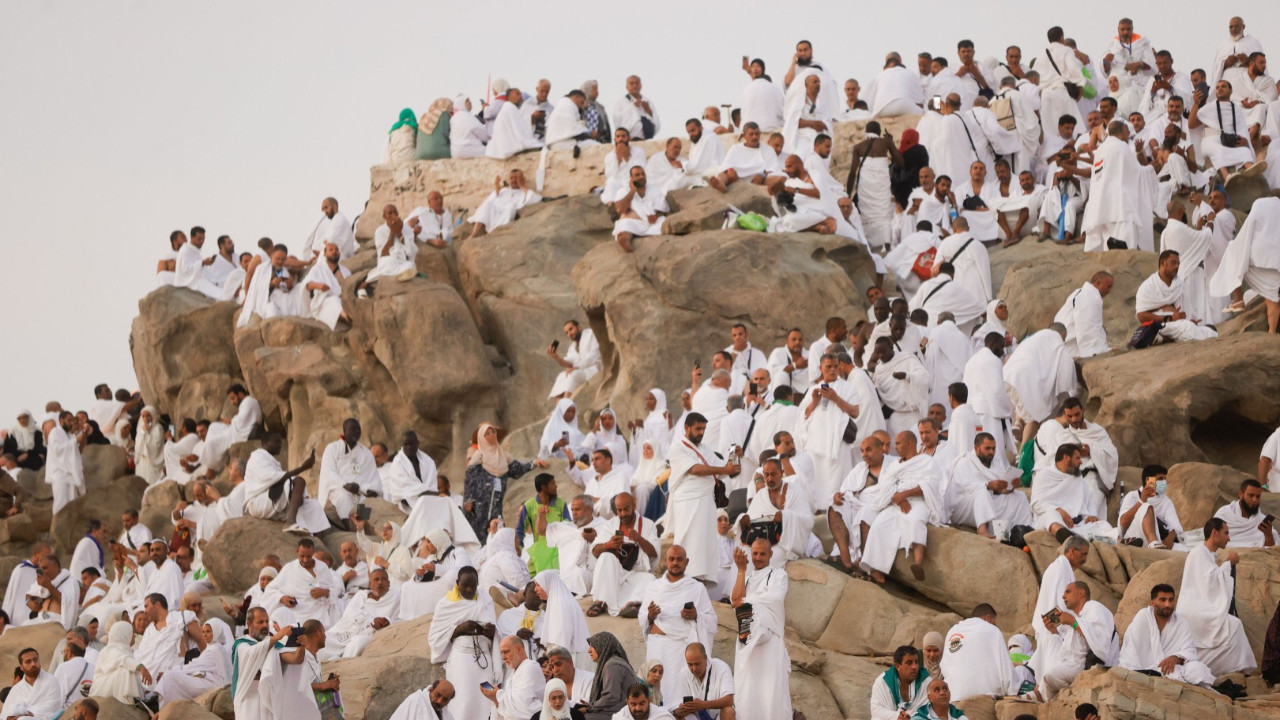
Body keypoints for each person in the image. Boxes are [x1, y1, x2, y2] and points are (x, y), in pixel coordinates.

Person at [861, 431, 943, 584]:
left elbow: (931, 484)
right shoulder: (894, 465)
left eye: (898, 443)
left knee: (915, 519)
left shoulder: (927, 461)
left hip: (918, 501)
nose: (895, 447)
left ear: (909, 444)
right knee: (879, 525)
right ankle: (877, 570)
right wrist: (899, 499)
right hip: (895, 502)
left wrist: (906, 494)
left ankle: (918, 563)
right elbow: (885, 486)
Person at [1182, 517, 1259, 677]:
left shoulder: (1208, 555)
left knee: (1233, 626)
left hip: (1202, 607)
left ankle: (1235, 669)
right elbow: (1208, 582)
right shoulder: (1198, 552)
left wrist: (1224, 565)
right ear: (1214, 532)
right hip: (1195, 610)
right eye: (1226, 533)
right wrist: (1228, 563)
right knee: (1234, 625)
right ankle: (1238, 670)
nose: (1229, 538)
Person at [640, 546, 716, 705]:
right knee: (656, 694)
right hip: (658, 647)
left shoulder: (697, 588)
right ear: (666, 561)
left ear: (686, 562)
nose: (675, 563)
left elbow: (711, 620)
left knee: (678, 696)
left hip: (681, 649)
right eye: (671, 559)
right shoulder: (654, 587)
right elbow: (642, 616)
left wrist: (696, 616)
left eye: (679, 559)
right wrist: (650, 615)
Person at [667, 415, 737, 583]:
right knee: (687, 539)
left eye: (703, 429)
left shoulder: (705, 449)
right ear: (687, 428)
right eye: (698, 429)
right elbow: (695, 469)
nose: (701, 433)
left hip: (706, 501)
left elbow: (721, 470)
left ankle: (700, 580)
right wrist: (724, 468)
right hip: (687, 501)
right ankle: (682, 577)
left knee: (704, 543)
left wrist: (733, 458)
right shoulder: (677, 448)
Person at [729, 539, 788, 720]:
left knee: (772, 694)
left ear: (770, 554)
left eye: (762, 553)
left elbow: (775, 599)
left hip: (770, 644)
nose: (758, 557)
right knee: (747, 692)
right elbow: (734, 601)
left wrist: (746, 601)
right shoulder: (745, 579)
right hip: (748, 645)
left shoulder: (778, 575)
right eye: (755, 553)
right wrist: (740, 571)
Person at [429, 567, 498, 720]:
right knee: (463, 699)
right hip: (461, 660)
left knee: (486, 695)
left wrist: (492, 632)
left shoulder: (485, 600)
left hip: (484, 662)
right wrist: (459, 628)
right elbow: (434, 638)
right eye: (465, 585)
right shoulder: (446, 603)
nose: (469, 589)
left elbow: (496, 630)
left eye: (473, 586)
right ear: (457, 583)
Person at [1033, 582, 1118, 702]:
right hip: (1075, 664)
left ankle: (1068, 696)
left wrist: (1073, 622)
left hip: (1089, 665)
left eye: (1068, 591)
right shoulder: (1080, 616)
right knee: (1049, 668)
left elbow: (1101, 640)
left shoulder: (1094, 608)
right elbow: (1071, 648)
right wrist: (1053, 630)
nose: (1063, 596)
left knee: (1050, 676)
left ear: (1081, 592)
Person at [1118, 583, 1215, 687]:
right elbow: (1131, 650)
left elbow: (1189, 650)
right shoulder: (1143, 617)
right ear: (1152, 602)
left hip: (1173, 668)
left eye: (1171, 600)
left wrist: (1174, 658)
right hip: (1144, 669)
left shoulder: (1180, 622)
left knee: (1197, 669)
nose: (1168, 604)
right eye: (1163, 600)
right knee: (1170, 674)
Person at [464, 423, 547, 542]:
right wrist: (469, 499)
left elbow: (518, 469)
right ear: (482, 438)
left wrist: (534, 463)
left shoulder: (503, 456)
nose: (491, 435)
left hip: (497, 502)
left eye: (493, 432)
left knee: (498, 531)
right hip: (480, 504)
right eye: (487, 434)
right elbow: (470, 480)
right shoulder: (478, 457)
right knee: (480, 534)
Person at [1031, 398, 1119, 509]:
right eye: (1070, 416)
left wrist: (1091, 451)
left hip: (1091, 476)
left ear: (1083, 410)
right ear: (1065, 415)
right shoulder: (1062, 436)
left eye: (1077, 414)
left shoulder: (1097, 431)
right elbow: (1052, 460)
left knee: (1091, 502)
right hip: (1069, 478)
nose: (1074, 419)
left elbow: (1112, 454)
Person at [1081, 122, 1154, 253]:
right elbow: (1136, 173)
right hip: (1121, 208)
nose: (1128, 135)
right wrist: (1151, 169)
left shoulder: (1101, 150)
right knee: (1125, 248)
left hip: (1101, 209)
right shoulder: (1122, 147)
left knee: (1108, 249)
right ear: (1121, 131)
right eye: (1127, 131)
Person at [1210, 196, 1280, 334]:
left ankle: (1239, 300)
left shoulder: (1260, 206)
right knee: (1271, 297)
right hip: (1274, 260)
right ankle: (1271, 331)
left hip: (1261, 260)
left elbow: (1248, 227)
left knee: (1232, 251)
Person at [948, 432, 1033, 539]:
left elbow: (1001, 490)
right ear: (977, 448)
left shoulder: (996, 463)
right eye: (987, 448)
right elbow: (961, 488)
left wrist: (1011, 487)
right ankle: (982, 531)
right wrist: (988, 485)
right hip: (965, 507)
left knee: (1019, 496)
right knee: (981, 492)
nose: (991, 452)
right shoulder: (965, 462)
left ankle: (1024, 531)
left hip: (988, 501)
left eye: (993, 448)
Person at [586, 492, 658, 618]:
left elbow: (654, 553)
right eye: (619, 510)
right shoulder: (610, 525)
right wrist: (608, 545)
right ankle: (601, 601)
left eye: (626, 509)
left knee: (650, 580)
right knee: (605, 557)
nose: (623, 514)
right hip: (614, 574)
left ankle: (630, 605)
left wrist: (639, 539)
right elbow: (595, 551)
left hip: (636, 574)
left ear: (634, 506)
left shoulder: (648, 524)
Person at [1029, 534, 1089, 678]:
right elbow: (1064, 604)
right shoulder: (1061, 569)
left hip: (1049, 628)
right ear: (1072, 551)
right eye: (1084, 554)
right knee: (1052, 675)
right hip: (1053, 630)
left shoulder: (1059, 567)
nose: (1086, 559)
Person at [241, 433, 325, 536]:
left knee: (314, 506)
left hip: (272, 501)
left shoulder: (273, 461)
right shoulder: (257, 457)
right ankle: (290, 523)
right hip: (258, 502)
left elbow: (280, 481)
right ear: (265, 443)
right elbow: (273, 479)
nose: (280, 445)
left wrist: (297, 497)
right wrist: (303, 468)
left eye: (280, 443)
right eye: (277, 442)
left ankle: (318, 543)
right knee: (299, 481)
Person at [740, 458, 812, 565]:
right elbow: (750, 519)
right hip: (760, 542)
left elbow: (808, 521)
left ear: (782, 473)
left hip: (783, 544)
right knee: (744, 554)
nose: (769, 479)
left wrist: (785, 516)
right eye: (766, 475)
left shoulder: (796, 491)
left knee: (772, 557)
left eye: (773, 474)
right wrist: (743, 520)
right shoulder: (760, 496)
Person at [939, 603, 1018, 701]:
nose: (995, 626)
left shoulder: (952, 631)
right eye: (994, 623)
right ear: (988, 618)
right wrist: (1013, 692)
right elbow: (1006, 670)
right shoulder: (993, 631)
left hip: (953, 698)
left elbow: (944, 667)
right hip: (984, 699)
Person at [1137, 250, 1219, 343]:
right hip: (1157, 325)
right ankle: (1210, 333)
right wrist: (1169, 318)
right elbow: (1141, 316)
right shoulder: (1148, 286)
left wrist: (1188, 320)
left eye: (1178, 264)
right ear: (1163, 263)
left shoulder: (1180, 285)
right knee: (1188, 328)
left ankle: (1163, 338)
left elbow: (1182, 314)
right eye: (1173, 263)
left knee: (1190, 326)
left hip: (1177, 325)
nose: (1177, 266)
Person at [1188, 79, 1255, 178]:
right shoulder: (1209, 107)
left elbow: (1241, 129)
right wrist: (1196, 104)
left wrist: (1244, 140)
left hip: (1227, 140)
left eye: (1223, 86)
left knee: (1244, 151)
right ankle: (1226, 176)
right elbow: (1191, 124)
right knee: (1219, 150)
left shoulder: (1236, 109)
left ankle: (1250, 169)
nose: (1220, 89)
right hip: (1210, 141)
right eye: (1217, 87)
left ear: (1231, 90)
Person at [1117, 465, 1184, 549]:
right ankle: (1152, 541)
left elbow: (1176, 527)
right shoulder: (1132, 496)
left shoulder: (1165, 501)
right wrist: (1141, 501)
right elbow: (1123, 523)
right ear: (1148, 480)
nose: (1164, 482)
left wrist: (1169, 539)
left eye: (1165, 479)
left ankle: (1155, 542)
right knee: (1147, 507)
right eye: (1160, 479)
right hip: (1135, 536)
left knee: (1183, 550)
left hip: (1160, 540)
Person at [482, 635, 546, 720]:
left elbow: (523, 707)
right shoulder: (512, 675)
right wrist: (495, 700)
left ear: (518, 649)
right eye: (502, 653)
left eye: (506, 652)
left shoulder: (530, 667)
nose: (503, 657)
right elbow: (509, 709)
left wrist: (497, 695)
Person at [467, 169, 541, 240]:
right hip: (495, 213)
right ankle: (473, 234)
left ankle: (496, 233)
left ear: (522, 179)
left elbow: (536, 199)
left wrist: (521, 185)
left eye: (517, 178)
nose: (514, 180)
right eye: (511, 178)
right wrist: (497, 188)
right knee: (488, 204)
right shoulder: (504, 190)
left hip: (506, 215)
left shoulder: (525, 192)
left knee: (510, 207)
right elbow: (490, 201)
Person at [1053, 273, 1113, 358]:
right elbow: (1087, 325)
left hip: (1067, 344)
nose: (1109, 291)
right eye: (1108, 286)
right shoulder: (1088, 296)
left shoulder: (1082, 293)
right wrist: (1097, 350)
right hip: (1072, 346)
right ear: (1098, 283)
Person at [611, 166, 667, 253]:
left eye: (643, 174)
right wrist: (632, 191)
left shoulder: (655, 190)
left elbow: (663, 209)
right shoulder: (623, 191)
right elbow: (620, 209)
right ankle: (625, 241)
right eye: (637, 175)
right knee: (625, 224)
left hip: (653, 222)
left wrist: (656, 216)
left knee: (663, 221)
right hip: (634, 223)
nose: (641, 177)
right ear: (631, 178)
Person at [671, 642, 734, 720]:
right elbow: (674, 705)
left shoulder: (721, 667)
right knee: (676, 717)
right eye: (690, 664)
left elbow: (729, 700)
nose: (693, 668)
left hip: (718, 717)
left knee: (728, 711)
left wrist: (702, 705)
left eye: (697, 664)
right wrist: (679, 711)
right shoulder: (684, 672)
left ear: (705, 658)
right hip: (695, 717)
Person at [708, 123, 779, 192]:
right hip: (736, 178)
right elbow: (726, 165)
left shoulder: (768, 149)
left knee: (776, 178)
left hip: (758, 180)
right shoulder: (735, 148)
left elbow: (773, 169)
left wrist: (762, 175)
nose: (754, 137)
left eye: (757, 134)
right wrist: (729, 171)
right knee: (722, 174)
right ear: (744, 135)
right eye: (751, 134)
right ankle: (721, 184)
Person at [581, 632, 634, 720]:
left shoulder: (612, 665)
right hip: (616, 709)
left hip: (621, 712)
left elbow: (611, 697)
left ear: (603, 646)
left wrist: (590, 707)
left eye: (593, 646)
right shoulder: (612, 663)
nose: (589, 650)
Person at [870, 646, 930, 719]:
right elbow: (876, 711)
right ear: (898, 666)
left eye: (916, 662)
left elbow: (930, 710)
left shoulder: (926, 681)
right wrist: (896, 716)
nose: (914, 667)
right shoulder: (883, 682)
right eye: (909, 663)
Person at [1, 649, 62, 720]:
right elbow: (5, 714)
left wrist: (26, 713)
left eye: (35, 660)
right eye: (28, 662)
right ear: (21, 667)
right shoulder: (16, 689)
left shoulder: (51, 680)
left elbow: (53, 706)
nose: (33, 664)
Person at [1216, 479, 1279, 547]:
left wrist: (1268, 535)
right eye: (1251, 495)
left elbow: (1271, 549)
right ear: (1241, 494)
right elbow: (1213, 539)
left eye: (1258, 496)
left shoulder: (1261, 519)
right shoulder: (1225, 513)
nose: (1254, 500)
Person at [548, 320, 602, 400]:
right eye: (566, 332)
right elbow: (569, 363)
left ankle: (564, 406)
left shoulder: (591, 334)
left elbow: (595, 355)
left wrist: (577, 367)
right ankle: (558, 409)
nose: (569, 333)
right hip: (581, 371)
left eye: (571, 329)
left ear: (579, 327)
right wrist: (556, 356)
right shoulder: (572, 347)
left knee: (573, 375)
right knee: (561, 376)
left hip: (593, 370)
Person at [486, 88, 543, 160]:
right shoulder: (510, 108)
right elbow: (519, 131)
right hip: (506, 145)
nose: (520, 96)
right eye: (517, 94)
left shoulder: (509, 108)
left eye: (521, 94)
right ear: (509, 96)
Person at [46, 411, 85, 515]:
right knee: (60, 504)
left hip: (71, 475)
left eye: (72, 420)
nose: (71, 423)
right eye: (69, 420)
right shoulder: (55, 432)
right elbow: (57, 450)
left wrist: (79, 438)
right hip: (60, 475)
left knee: (72, 505)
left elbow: (76, 453)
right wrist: (76, 440)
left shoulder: (70, 435)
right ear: (61, 420)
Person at [172, 228, 221, 300]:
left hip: (197, 279)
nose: (202, 241)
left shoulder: (195, 251)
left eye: (203, 239)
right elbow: (185, 269)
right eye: (199, 239)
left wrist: (205, 263)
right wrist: (203, 263)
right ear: (192, 237)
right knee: (215, 293)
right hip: (187, 282)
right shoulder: (185, 250)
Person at [740, 57, 785, 131]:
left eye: (757, 66)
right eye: (753, 67)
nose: (755, 69)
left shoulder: (748, 88)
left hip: (748, 128)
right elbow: (783, 111)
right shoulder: (774, 88)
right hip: (769, 127)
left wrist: (747, 69)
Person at [612, 76, 660, 140]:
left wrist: (648, 110)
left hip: (645, 140)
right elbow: (617, 119)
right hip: (629, 140)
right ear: (627, 87)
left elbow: (656, 121)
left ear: (640, 85)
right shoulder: (621, 102)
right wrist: (632, 107)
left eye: (637, 83)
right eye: (631, 83)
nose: (634, 86)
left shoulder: (647, 101)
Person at [387, 679, 456, 720]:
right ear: (431, 690)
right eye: (437, 695)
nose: (439, 701)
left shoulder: (447, 714)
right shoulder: (416, 700)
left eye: (445, 699)